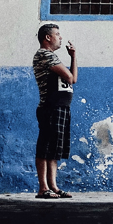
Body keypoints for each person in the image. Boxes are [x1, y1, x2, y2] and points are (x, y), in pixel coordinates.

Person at [32, 23, 77, 198]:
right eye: (57, 34)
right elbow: (69, 77)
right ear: (48, 37)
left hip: (61, 107)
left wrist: (73, 57)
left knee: (54, 150)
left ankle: (53, 187)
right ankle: (43, 188)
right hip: (50, 108)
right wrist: (71, 62)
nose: (61, 37)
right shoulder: (44, 55)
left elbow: (73, 79)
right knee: (45, 147)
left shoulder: (53, 57)